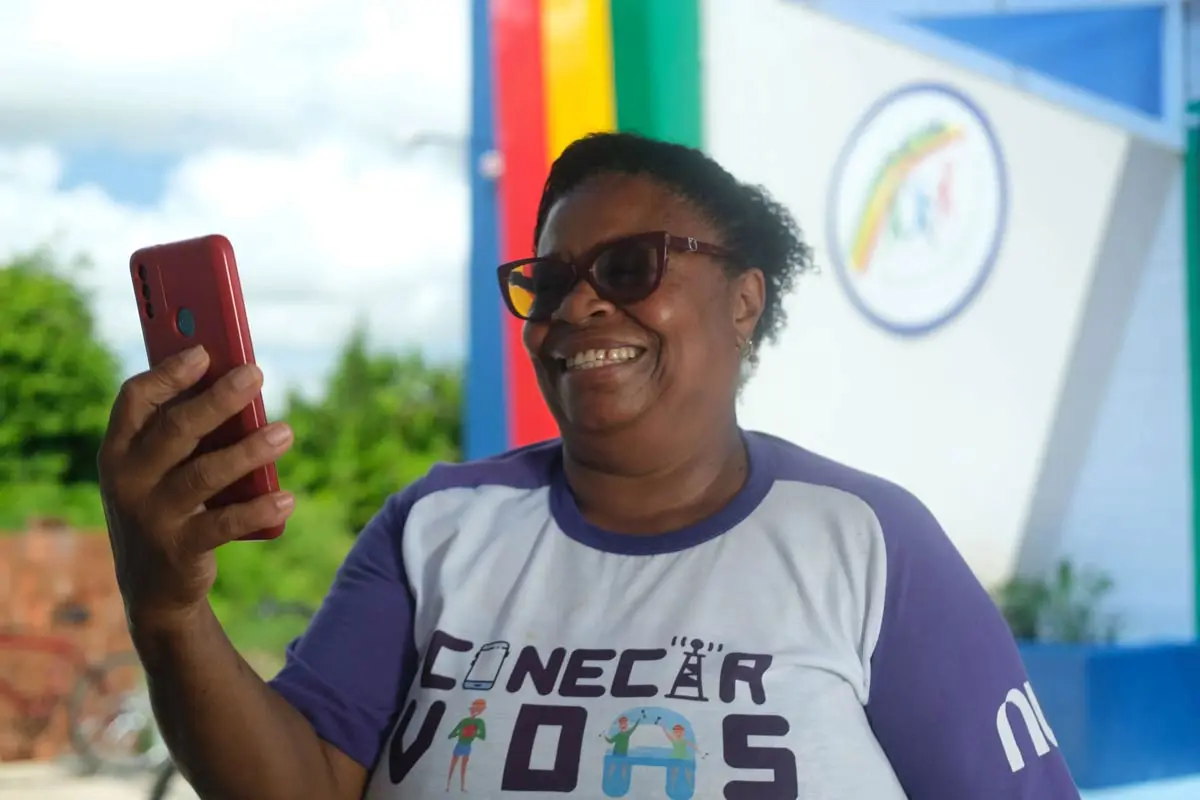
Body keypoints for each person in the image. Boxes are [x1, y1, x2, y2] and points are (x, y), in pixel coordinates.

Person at [98, 132, 1080, 799]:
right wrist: (169, 611)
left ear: (744, 300)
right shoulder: (439, 523)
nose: (578, 306)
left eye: (628, 267)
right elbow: (304, 784)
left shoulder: (867, 542)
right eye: (551, 279)